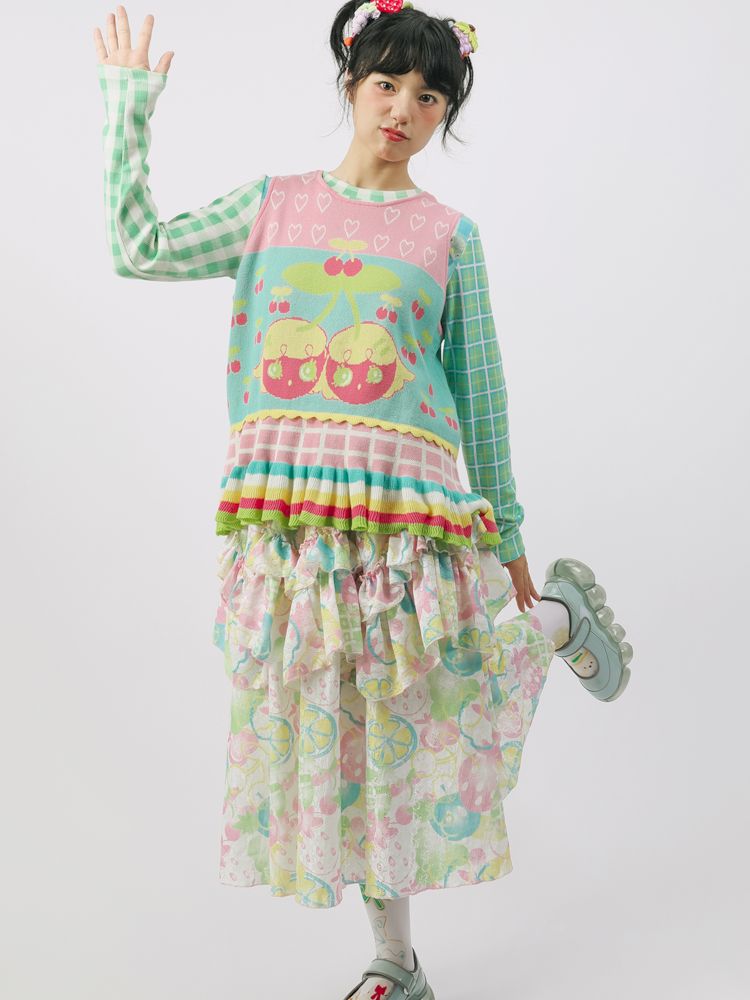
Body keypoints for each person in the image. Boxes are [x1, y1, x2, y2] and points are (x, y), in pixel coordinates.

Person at [93, 3, 634, 998]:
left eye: (429, 97)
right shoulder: (272, 207)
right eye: (387, 84)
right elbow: (141, 246)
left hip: (405, 520)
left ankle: (554, 616)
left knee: (422, 712)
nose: (403, 109)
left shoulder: (448, 237)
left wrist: (510, 531)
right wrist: (129, 105)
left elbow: (481, 392)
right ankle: (398, 959)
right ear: (351, 82)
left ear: (444, 114)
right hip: (291, 525)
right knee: (346, 736)